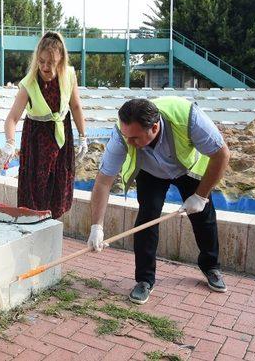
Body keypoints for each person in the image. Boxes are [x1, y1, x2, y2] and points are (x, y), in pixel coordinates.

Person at [88, 97, 230, 304]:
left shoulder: (189, 117)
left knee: (204, 216)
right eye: (127, 136)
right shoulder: (122, 134)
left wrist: (200, 196)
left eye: (135, 138)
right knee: (147, 217)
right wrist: (96, 227)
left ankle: (211, 267)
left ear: (154, 127)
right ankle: (144, 280)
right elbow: (103, 182)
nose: (129, 143)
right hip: (150, 171)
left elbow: (222, 154)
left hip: (186, 167)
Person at [2, 31, 88, 219]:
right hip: (37, 141)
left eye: (51, 63)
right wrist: (9, 143)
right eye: (41, 61)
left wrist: (83, 137)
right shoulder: (29, 83)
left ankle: (52, 228)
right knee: (36, 191)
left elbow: (75, 106)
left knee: (58, 189)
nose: (45, 67)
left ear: (61, 61)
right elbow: (12, 118)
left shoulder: (69, 76)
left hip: (61, 138)